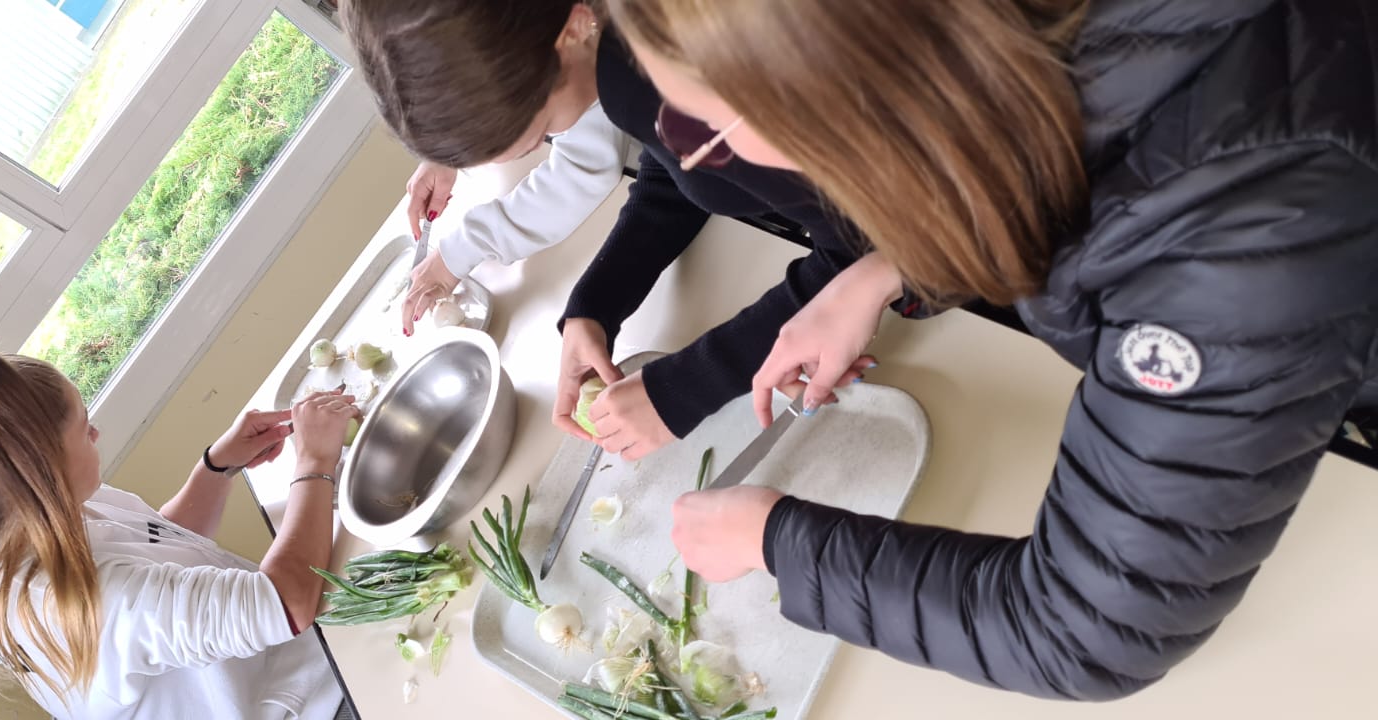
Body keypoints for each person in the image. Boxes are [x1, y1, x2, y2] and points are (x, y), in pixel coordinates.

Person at [609, 0, 1378, 701]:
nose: (689, 149)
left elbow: (1088, 631)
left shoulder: (1233, 239)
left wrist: (773, 537)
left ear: (838, 96)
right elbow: (1038, 137)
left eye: (700, 131)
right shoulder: (1005, 53)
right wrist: (890, 268)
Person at [340, 0, 880, 458]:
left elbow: (866, 248)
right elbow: (679, 168)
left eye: (543, 130)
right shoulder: (624, 56)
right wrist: (595, 304)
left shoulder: (670, 61)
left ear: (574, 27)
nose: (540, 149)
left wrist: (687, 389)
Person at [0, 341, 353, 719]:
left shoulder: (38, 513)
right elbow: (285, 604)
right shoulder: (83, 603)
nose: (96, 433)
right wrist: (314, 462)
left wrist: (216, 467)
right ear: (42, 469)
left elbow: (158, 548)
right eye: (84, 428)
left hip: (300, 664)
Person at [342, 0, 632, 337]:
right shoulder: (547, 33)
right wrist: (451, 150)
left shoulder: (618, 53)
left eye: (539, 133)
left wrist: (465, 247)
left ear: (575, 31)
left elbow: (584, 169)